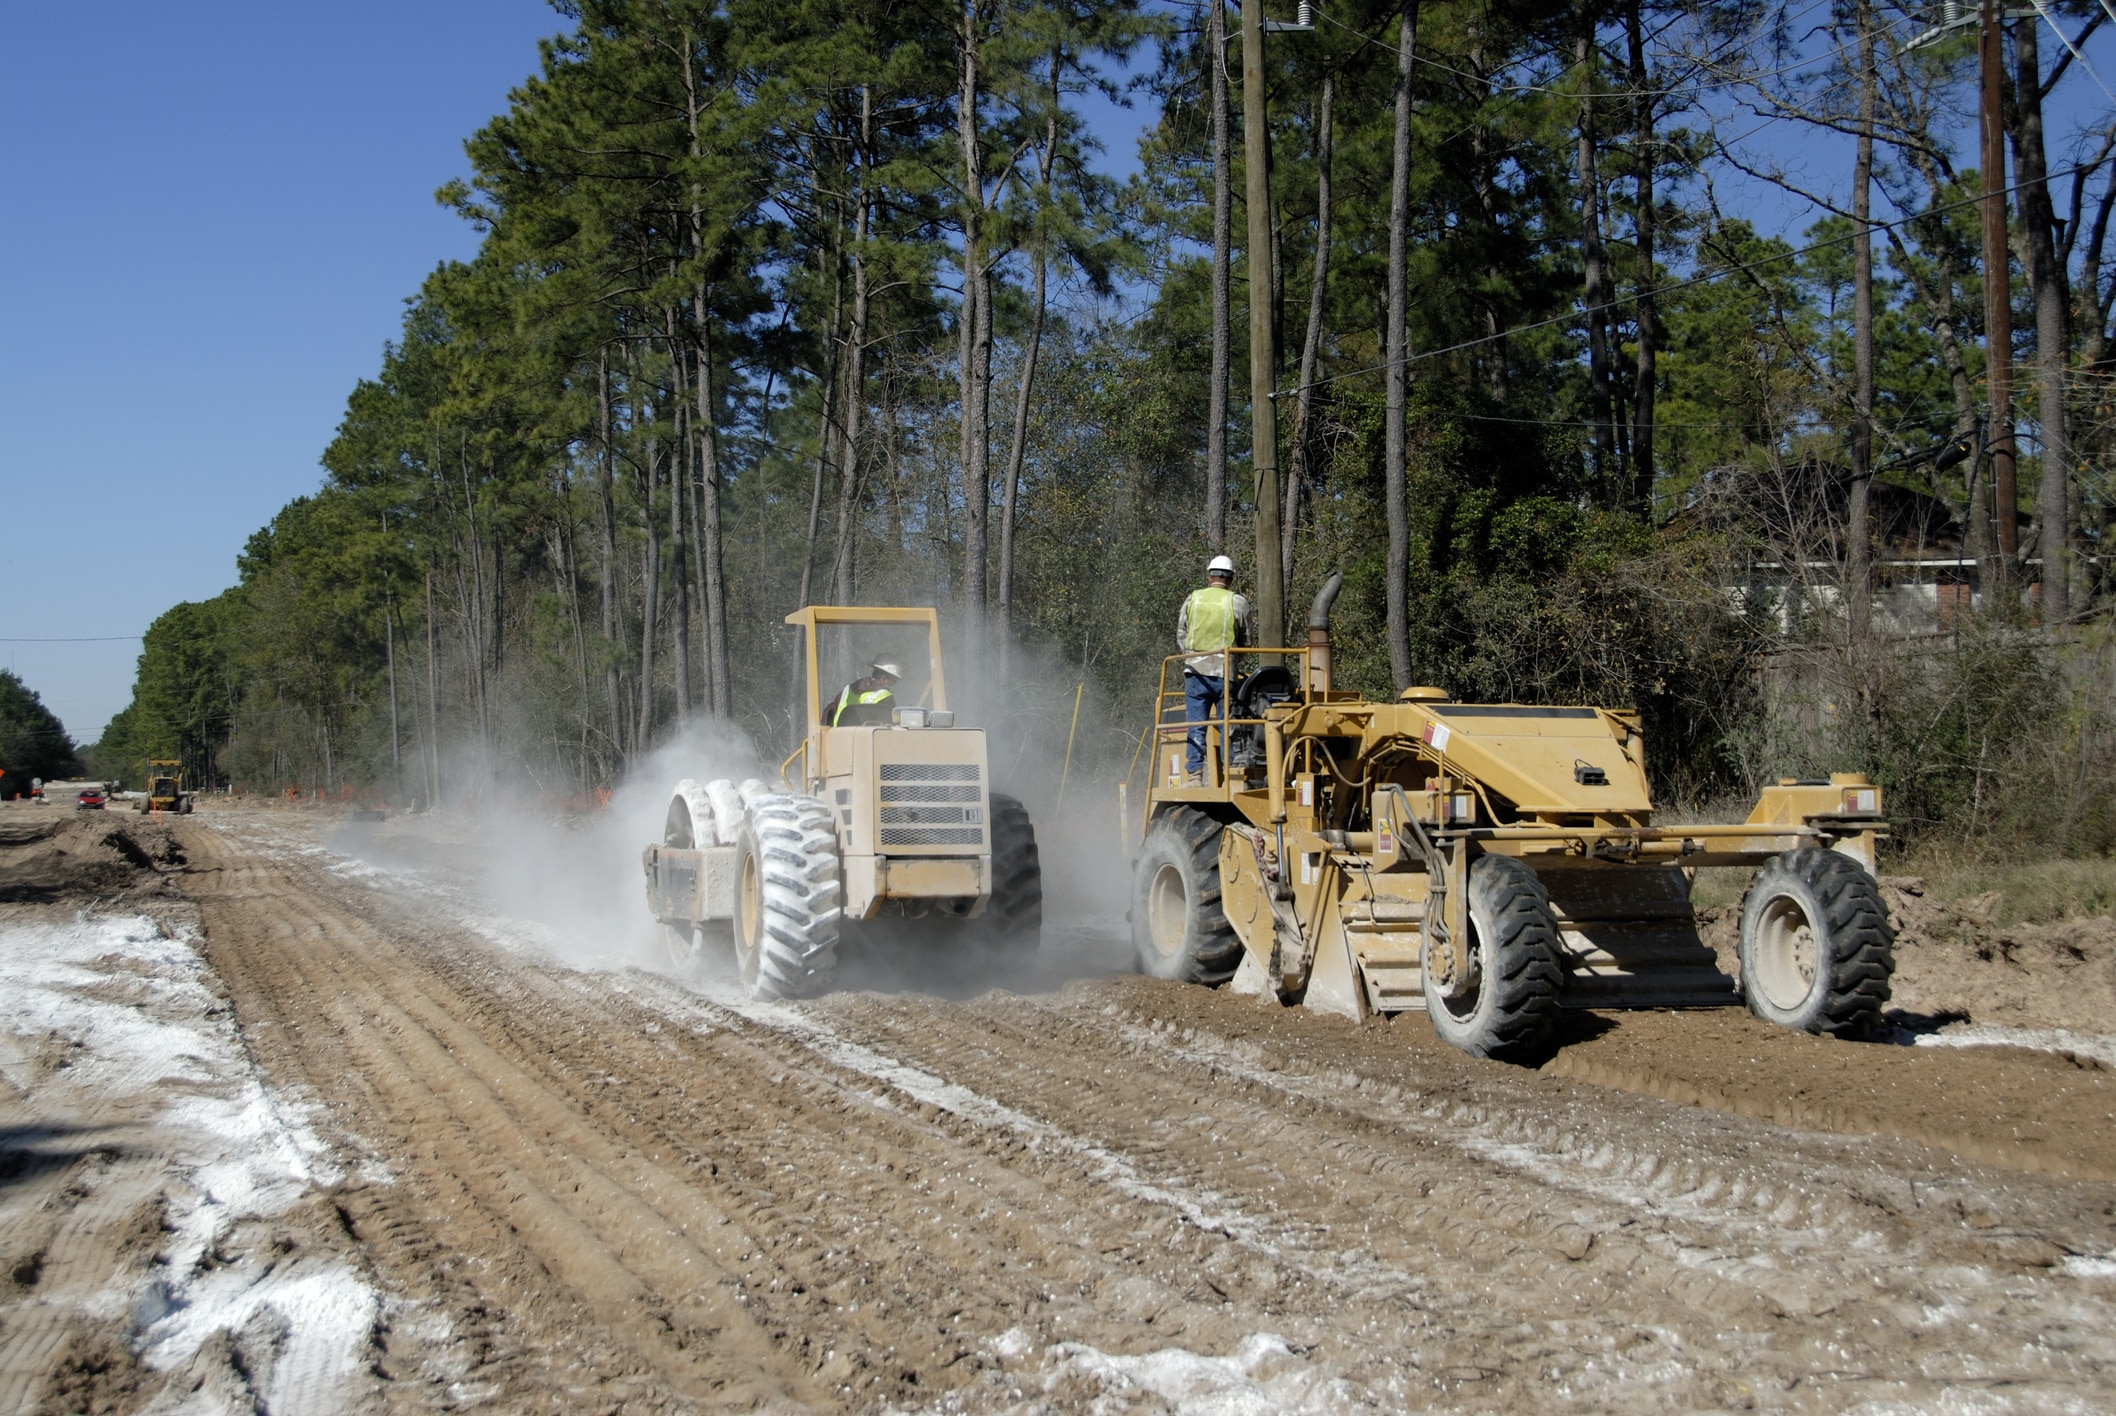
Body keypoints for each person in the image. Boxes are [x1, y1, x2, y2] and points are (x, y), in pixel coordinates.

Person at [1176, 555, 1254, 786]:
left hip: (1195, 672)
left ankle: (1195, 777)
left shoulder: (1193, 599)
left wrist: (1193, 655)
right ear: (1230, 578)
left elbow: (1181, 633)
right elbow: (1247, 641)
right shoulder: (1238, 602)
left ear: (1209, 576)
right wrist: (1233, 658)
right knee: (1227, 727)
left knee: (1196, 725)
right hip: (1225, 672)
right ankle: (1229, 777)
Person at [832, 659, 903, 726]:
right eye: (893, 681)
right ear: (884, 679)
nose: (893, 685)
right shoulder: (886, 697)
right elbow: (890, 724)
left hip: (837, 735)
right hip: (866, 737)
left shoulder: (847, 690)